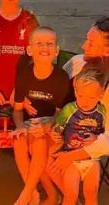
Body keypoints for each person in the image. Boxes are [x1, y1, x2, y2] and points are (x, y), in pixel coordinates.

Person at [48, 16, 109, 201]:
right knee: (35, 146)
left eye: (90, 43)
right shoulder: (77, 63)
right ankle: (69, 197)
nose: (83, 46)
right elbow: (55, 93)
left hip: (91, 142)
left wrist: (71, 156)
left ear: (108, 50)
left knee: (46, 158)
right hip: (64, 130)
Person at [11, 27, 70, 205]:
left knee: (40, 144)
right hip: (30, 123)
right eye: (39, 43)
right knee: (19, 140)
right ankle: (35, 193)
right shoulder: (24, 75)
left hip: (52, 125)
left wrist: (47, 126)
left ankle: (27, 194)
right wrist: (20, 126)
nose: (44, 47)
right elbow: (17, 109)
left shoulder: (61, 78)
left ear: (56, 51)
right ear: (30, 50)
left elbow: (60, 114)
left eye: (49, 44)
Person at [49, 64, 109, 205]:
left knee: (91, 193)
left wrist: (96, 138)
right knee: (71, 194)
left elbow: (107, 134)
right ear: (75, 92)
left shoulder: (102, 112)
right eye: (81, 96)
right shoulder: (69, 109)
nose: (85, 101)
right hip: (71, 160)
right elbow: (57, 128)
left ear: (101, 95)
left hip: (91, 158)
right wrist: (55, 133)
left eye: (90, 97)